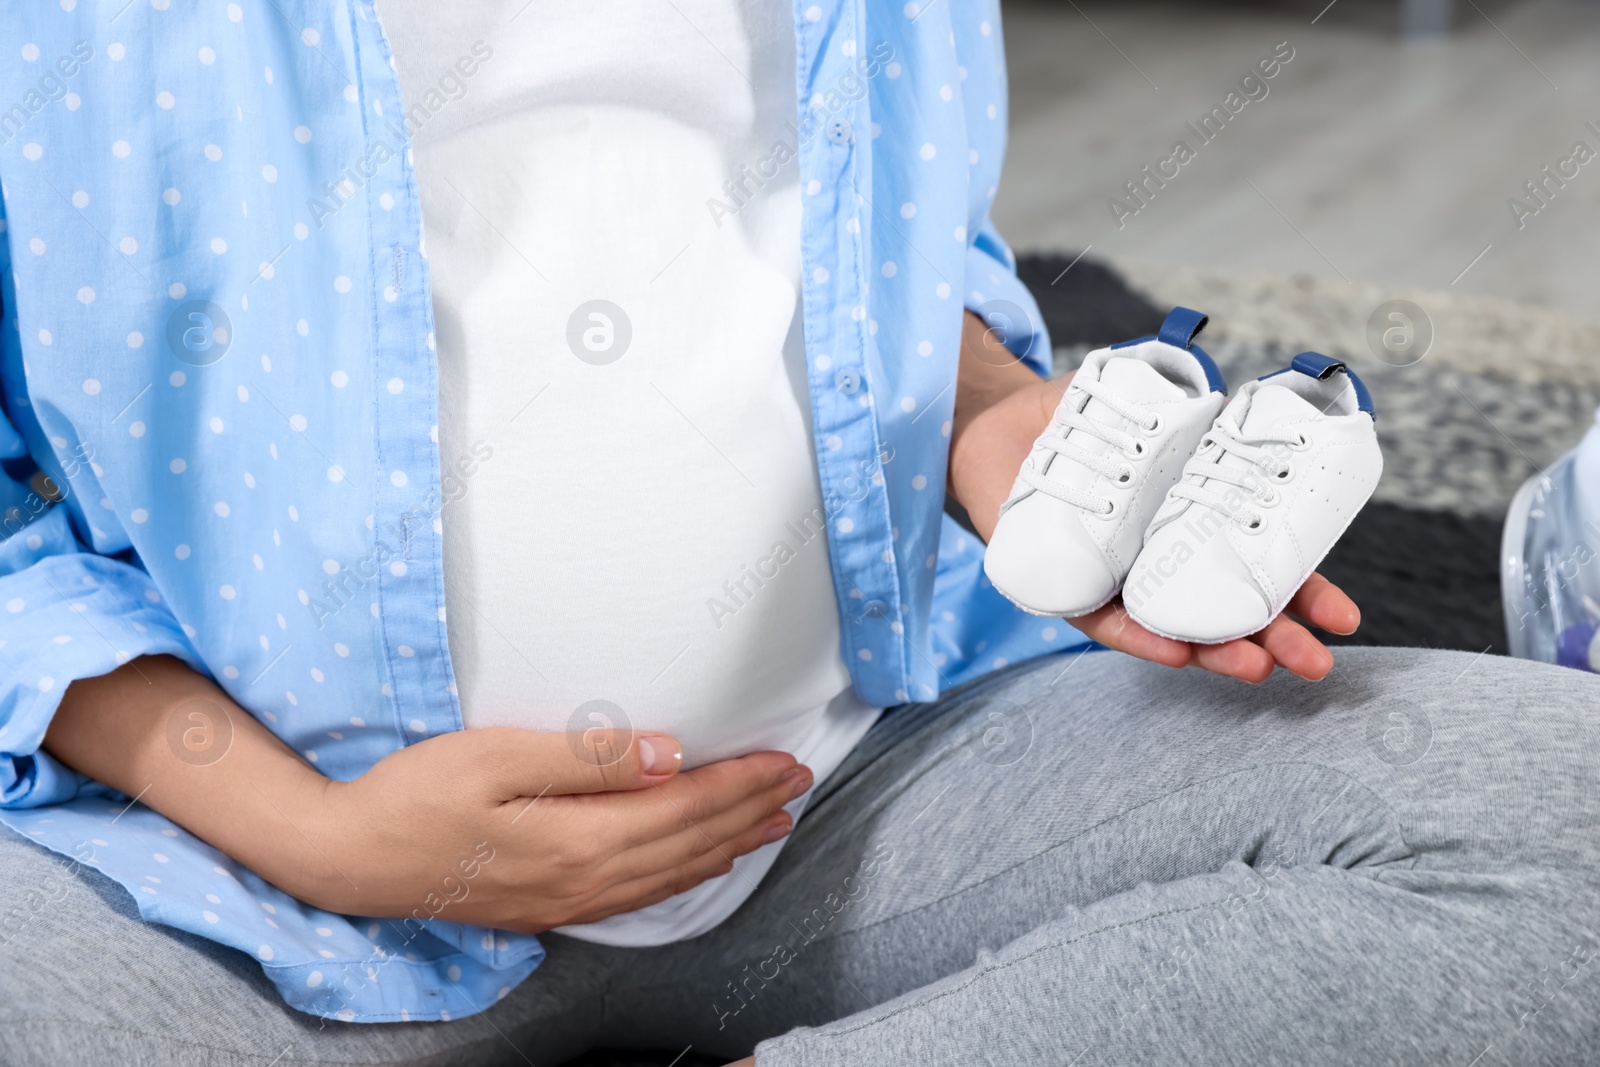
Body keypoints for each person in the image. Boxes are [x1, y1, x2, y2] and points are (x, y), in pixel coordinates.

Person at [1, 3, 1597, 1065]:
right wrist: (307, 833)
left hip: (865, 777)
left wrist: (987, 420)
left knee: (1566, 830)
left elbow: (896, 249)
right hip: (238, 878)